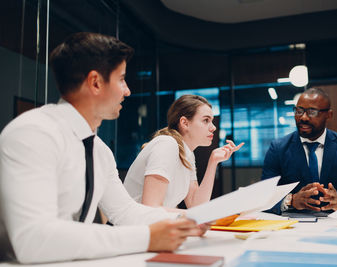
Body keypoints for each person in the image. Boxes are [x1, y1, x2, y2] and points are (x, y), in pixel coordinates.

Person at [0, 32, 203, 264]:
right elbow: (33, 240)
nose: (127, 91)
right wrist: (147, 238)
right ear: (95, 82)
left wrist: (190, 219)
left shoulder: (99, 150)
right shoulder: (33, 133)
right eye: (122, 79)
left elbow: (126, 212)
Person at [261, 88, 337, 215]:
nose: (303, 117)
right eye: (299, 111)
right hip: (292, 224)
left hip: (336, 222)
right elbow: (263, 198)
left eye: (311, 112)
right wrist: (291, 200)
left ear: (329, 115)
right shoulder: (278, 148)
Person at [124, 95, 244, 210]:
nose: (213, 127)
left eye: (211, 121)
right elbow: (151, 208)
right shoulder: (166, 144)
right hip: (129, 228)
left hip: (151, 226)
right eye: (206, 120)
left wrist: (213, 162)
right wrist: (204, 217)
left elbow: (196, 205)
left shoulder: (187, 154)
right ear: (184, 123)